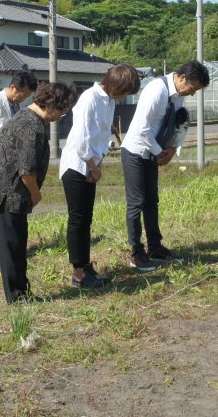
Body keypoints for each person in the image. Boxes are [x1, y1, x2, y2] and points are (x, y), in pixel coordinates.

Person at [0, 82, 77, 303]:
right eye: (61, 112)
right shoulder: (30, 126)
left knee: (16, 245)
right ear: (52, 105)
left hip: (9, 193)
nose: (59, 117)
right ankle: (17, 298)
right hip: (8, 194)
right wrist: (35, 194)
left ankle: (22, 293)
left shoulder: (28, 118)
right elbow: (27, 170)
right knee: (12, 248)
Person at [121, 61, 209, 272]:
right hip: (135, 151)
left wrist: (172, 148)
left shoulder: (177, 96)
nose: (193, 94)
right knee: (136, 203)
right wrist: (160, 151)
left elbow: (176, 123)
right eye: (193, 88)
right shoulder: (156, 90)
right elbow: (142, 130)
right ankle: (136, 253)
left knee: (152, 201)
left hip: (153, 151)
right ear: (182, 78)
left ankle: (155, 247)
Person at [60, 64, 140, 288]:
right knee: (77, 220)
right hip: (77, 165)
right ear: (115, 85)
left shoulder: (109, 101)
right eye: (125, 91)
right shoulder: (89, 98)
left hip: (92, 164)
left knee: (87, 219)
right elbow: (83, 137)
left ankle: (86, 267)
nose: (125, 97)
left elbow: (103, 136)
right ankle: (78, 273)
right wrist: (93, 167)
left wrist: (99, 162)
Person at [0, 70, 38, 256]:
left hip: (8, 164)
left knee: (7, 205)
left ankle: (8, 247)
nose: (24, 99)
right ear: (13, 87)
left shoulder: (15, 104)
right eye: (23, 94)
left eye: (27, 97)